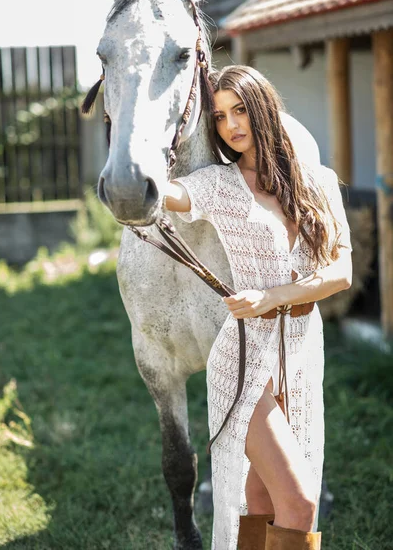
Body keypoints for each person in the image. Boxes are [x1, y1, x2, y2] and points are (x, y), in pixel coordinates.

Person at [163, 65, 352, 550]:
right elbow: (171, 195)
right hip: (244, 361)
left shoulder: (319, 182)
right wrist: (129, 165)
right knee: (300, 502)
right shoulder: (219, 185)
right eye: (221, 116)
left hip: (301, 356)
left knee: (263, 500)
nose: (230, 125)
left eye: (240, 109)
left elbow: (341, 272)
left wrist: (274, 297)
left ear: (263, 107)